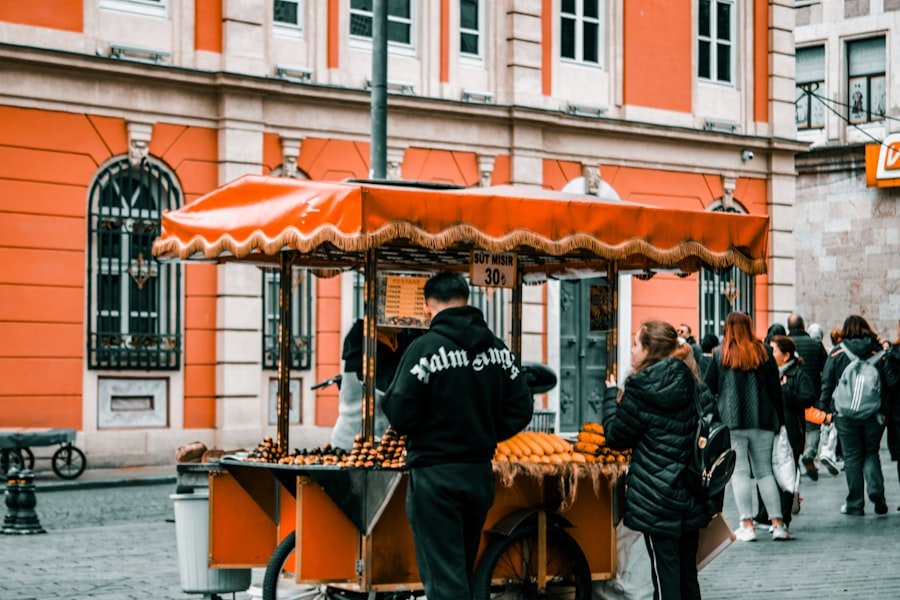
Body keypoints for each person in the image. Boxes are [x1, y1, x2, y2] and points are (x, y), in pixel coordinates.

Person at [382, 271, 533, 600]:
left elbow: (398, 410)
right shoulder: (498, 349)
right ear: (467, 300)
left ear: (427, 306)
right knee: (461, 570)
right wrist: (486, 429)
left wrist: (428, 427)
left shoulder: (424, 349)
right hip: (478, 474)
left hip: (435, 477)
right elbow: (522, 406)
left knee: (444, 580)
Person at [603, 321, 717, 600]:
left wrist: (609, 396)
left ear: (649, 350)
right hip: (691, 490)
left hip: (657, 498)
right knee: (687, 574)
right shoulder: (692, 380)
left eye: (635, 344)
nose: (631, 350)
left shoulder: (639, 388)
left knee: (665, 574)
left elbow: (617, 437)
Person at [704, 312, 789, 541]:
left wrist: (715, 411)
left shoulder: (720, 354)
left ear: (728, 328)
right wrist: (780, 420)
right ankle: (777, 524)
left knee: (739, 472)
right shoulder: (763, 352)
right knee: (765, 472)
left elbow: (707, 387)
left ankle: (747, 525)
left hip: (732, 421)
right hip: (762, 419)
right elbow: (774, 389)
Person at [820, 315, 898, 516]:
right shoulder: (877, 352)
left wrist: (825, 410)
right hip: (873, 414)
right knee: (871, 452)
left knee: (852, 457)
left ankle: (855, 503)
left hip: (845, 415)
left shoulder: (837, 352)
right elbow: (891, 382)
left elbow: (827, 382)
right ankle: (876, 493)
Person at [330, 320, 421, 450]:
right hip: (352, 441)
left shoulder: (400, 337)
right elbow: (391, 386)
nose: (402, 318)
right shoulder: (360, 340)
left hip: (383, 440)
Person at [755, 336, 816, 527]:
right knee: (766, 470)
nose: (770, 353)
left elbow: (808, 398)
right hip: (770, 429)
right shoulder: (767, 373)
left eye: (774, 350)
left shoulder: (798, 374)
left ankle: (784, 515)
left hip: (792, 431)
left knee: (789, 472)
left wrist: (786, 391)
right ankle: (766, 514)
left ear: (786, 355)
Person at [787, 313, 831, 480]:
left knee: (792, 427)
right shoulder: (815, 344)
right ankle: (810, 452)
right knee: (813, 427)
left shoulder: (784, 345)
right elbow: (826, 369)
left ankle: (794, 460)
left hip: (790, 394)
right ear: (803, 326)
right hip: (812, 393)